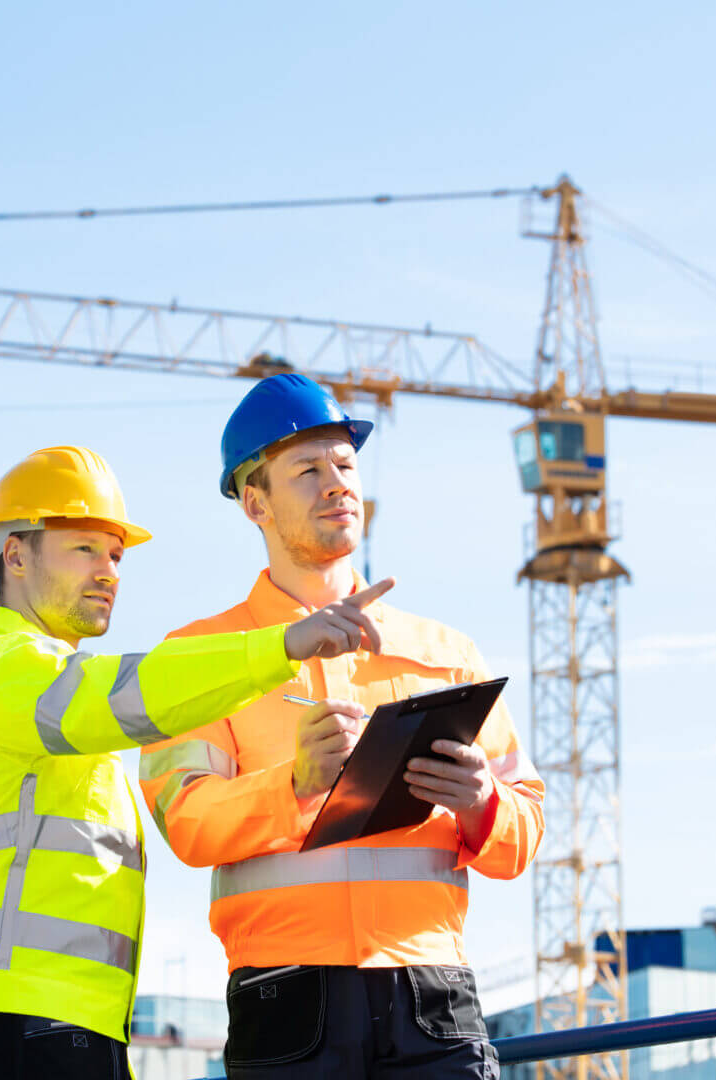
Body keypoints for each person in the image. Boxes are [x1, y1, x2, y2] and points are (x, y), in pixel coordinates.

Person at [0, 444, 394, 1080]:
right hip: (1, 1022)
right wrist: (283, 643)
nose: (109, 570)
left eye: (115, 554)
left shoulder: (62, 709)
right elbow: (129, 694)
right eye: (84, 547)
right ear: (16, 555)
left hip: (71, 1023)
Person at [140, 377, 544, 1078]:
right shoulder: (197, 660)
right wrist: (294, 784)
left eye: (346, 466)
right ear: (254, 502)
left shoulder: (447, 654)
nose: (338, 484)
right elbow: (187, 821)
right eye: (309, 469)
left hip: (433, 996)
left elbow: (524, 834)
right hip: (288, 998)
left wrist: (481, 801)